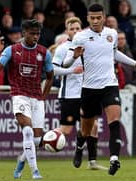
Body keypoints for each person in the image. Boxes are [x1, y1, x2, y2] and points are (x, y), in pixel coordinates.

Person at [63, 4, 136, 175]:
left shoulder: (111, 34)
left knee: (114, 120)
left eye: (98, 17)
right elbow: (66, 62)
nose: (95, 21)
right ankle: (80, 146)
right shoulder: (80, 37)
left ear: (104, 17)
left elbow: (115, 54)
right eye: (92, 18)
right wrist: (75, 55)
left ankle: (114, 159)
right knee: (86, 129)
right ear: (88, 19)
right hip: (89, 87)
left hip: (110, 84)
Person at [0, 19, 54, 180]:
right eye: (32, 33)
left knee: (38, 140)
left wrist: (44, 96)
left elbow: (51, 76)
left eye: (38, 34)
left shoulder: (44, 52)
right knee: (27, 130)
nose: (36, 37)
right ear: (23, 33)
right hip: (19, 95)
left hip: (36, 97)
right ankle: (35, 172)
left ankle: (21, 160)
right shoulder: (12, 50)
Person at [52, 16, 107, 170]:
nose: (75, 31)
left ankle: (92, 162)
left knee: (93, 126)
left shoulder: (89, 46)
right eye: (72, 29)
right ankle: (37, 144)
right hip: (70, 95)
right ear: (67, 31)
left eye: (77, 28)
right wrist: (71, 70)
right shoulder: (63, 48)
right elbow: (53, 69)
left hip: (87, 93)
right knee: (66, 129)